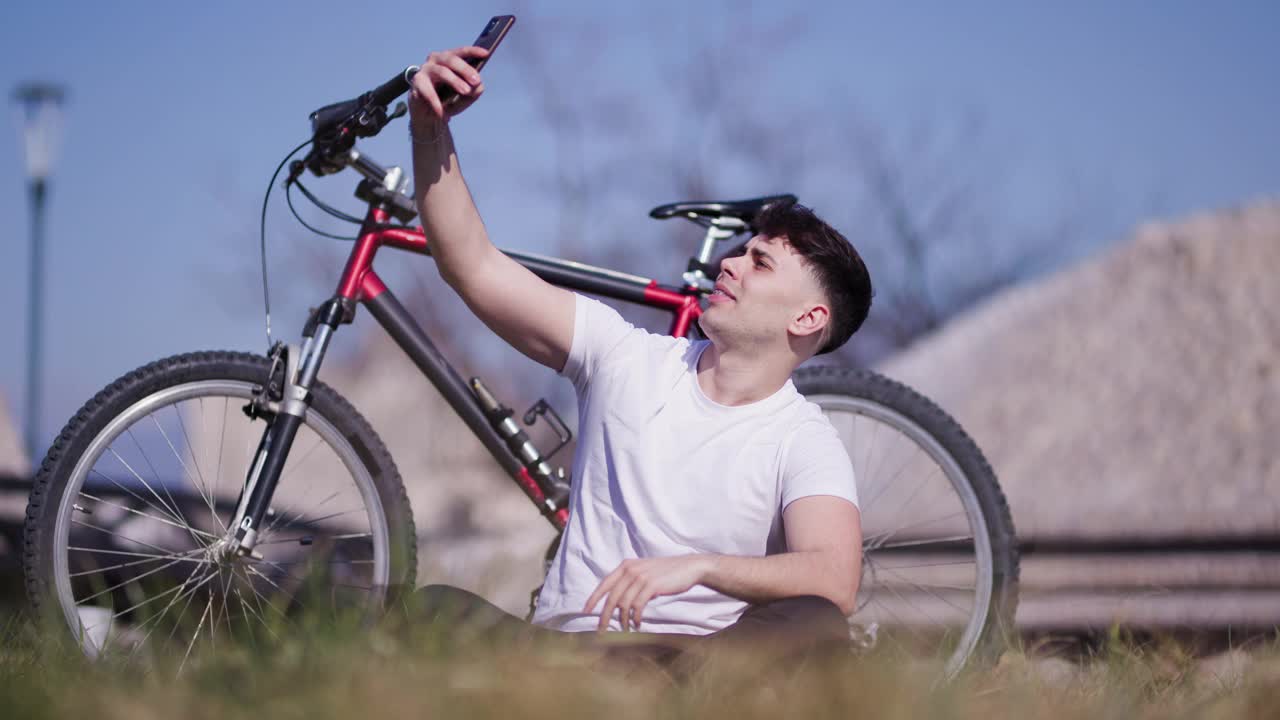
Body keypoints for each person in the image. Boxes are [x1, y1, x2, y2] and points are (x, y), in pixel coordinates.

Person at [404, 46, 873, 662]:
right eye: (742, 251)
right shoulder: (624, 356)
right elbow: (473, 264)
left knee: (815, 623)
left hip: (691, 665)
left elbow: (833, 578)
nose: (729, 262)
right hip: (568, 653)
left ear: (808, 319)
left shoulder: (803, 439)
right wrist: (428, 127)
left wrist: (697, 568)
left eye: (759, 263)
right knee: (432, 608)